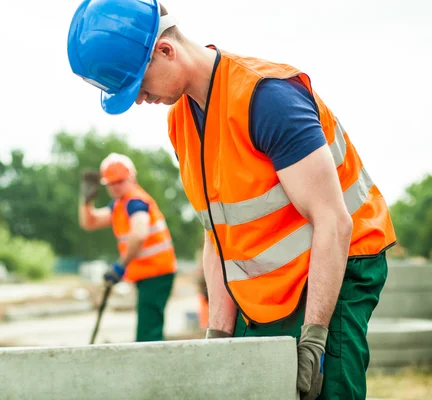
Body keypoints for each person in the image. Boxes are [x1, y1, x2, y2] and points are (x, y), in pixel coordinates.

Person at [66, 1, 397, 399]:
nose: (139, 100)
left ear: (165, 51)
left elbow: (334, 222)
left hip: (340, 260)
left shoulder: (268, 98)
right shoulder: (181, 121)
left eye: (139, 85)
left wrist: (313, 340)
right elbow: (216, 235)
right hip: (271, 277)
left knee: (325, 387)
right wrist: (218, 336)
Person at [79, 152, 177, 342]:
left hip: (156, 272)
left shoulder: (135, 202)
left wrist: (120, 266)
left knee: (148, 333)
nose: (116, 187)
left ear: (132, 177)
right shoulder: (120, 205)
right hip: (150, 273)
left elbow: (139, 234)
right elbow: (89, 223)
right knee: (148, 328)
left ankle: (150, 368)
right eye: (111, 183)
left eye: (120, 181)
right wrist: (85, 202)